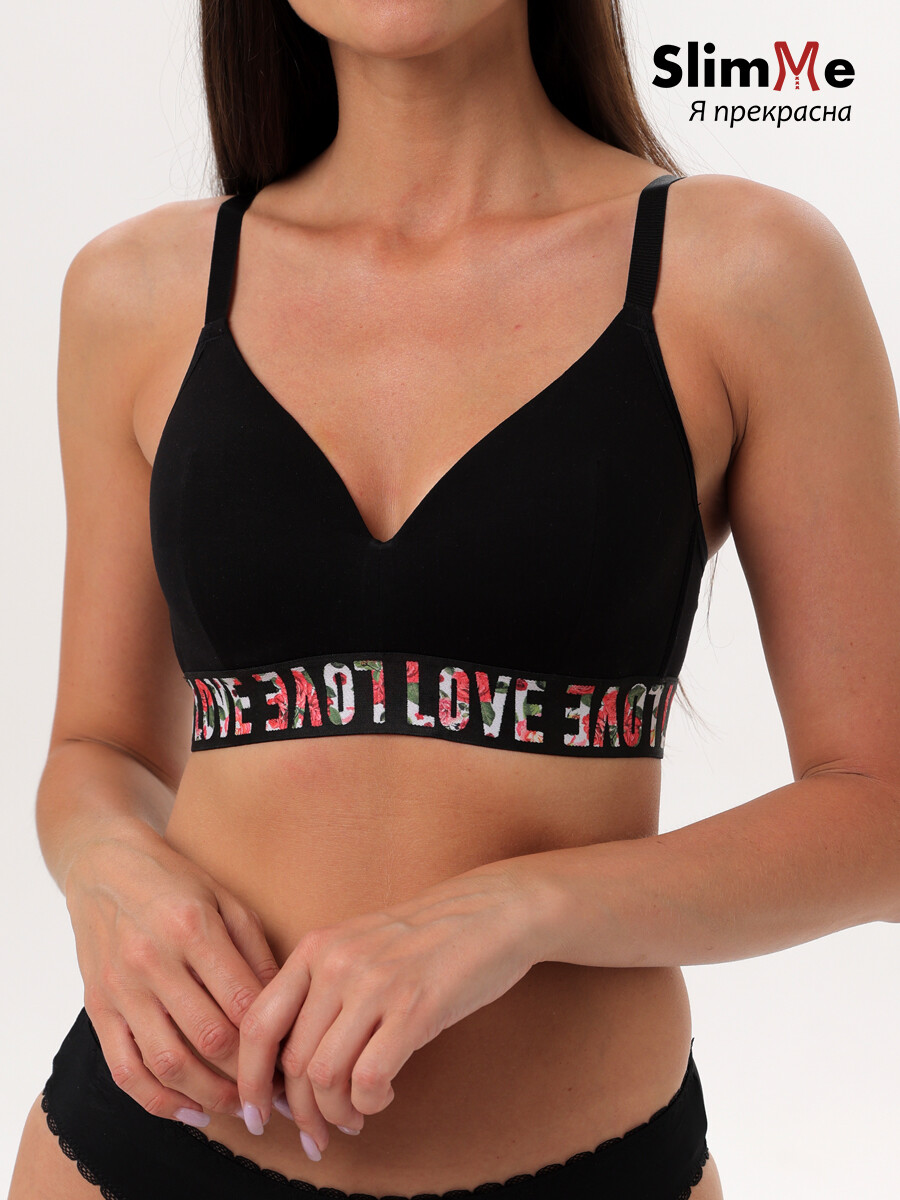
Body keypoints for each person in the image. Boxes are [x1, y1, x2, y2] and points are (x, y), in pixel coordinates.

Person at [9, 1, 900, 1198]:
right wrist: (108, 867)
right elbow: (97, 748)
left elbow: (881, 811)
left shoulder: (747, 271)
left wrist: (516, 909)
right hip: (144, 1151)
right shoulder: (137, 290)